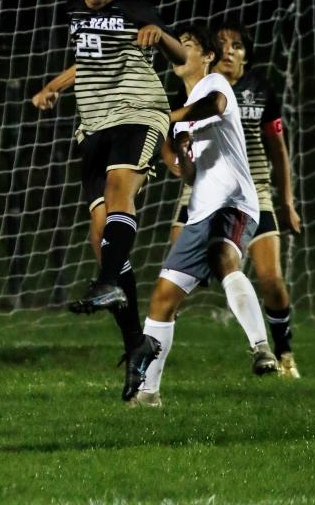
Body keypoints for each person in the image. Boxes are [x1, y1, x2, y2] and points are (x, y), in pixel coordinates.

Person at [31, 0, 186, 400]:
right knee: (101, 237)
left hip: (140, 110)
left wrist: (160, 33)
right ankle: (136, 346)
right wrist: (54, 86)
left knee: (121, 191)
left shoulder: (136, 8)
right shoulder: (75, 7)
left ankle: (106, 285)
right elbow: (92, 59)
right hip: (95, 120)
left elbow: (179, 58)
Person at [125, 25, 277, 406]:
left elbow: (212, 108)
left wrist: (166, 117)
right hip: (201, 210)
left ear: (207, 56)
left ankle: (261, 347)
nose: (179, 51)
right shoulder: (187, 100)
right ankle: (148, 395)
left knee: (222, 254)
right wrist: (177, 153)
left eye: (188, 45)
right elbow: (186, 171)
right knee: (162, 299)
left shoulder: (215, 85)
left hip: (234, 202)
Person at [165, 21, 302, 377]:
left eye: (237, 45)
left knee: (271, 278)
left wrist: (286, 201)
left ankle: (283, 353)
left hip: (251, 189)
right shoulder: (191, 87)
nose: (229, 50)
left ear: (246, 55)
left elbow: (278, 148)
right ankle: (153, 353)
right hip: (200, 188)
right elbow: (173, 140)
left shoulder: (258, 89)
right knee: (174, 276)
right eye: (222, 44)